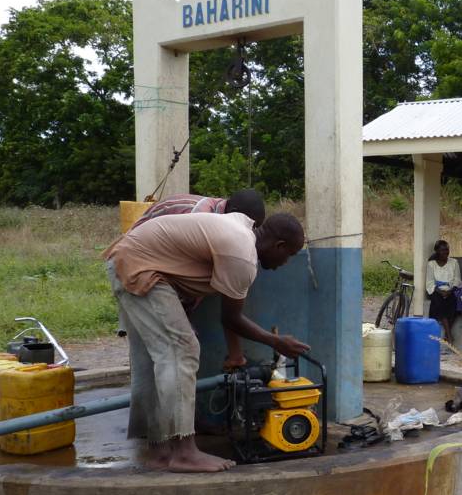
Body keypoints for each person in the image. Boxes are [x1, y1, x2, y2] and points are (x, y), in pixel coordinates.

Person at [103, 211, 309, 473]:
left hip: (132, 258)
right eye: (289, 255)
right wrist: (276, 341)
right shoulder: (242, 257)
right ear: (278, 245)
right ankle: (185, 453)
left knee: (164, 358)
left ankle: (160, 451)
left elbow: (229, 317)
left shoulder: (242, 230)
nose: (285, 262)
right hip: (140, 266)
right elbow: (232, 318)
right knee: (181, 350)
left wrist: (243, 352)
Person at [132, 188, 266, 230]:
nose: (250, 233)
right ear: (233, 213)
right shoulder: (200, 215)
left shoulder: (219, 210)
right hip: (135, 254)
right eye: (250, 227)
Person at [426, 240, 462, 345]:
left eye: (447, 249)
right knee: (439, 302)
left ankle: (447, 334)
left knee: (454, 303)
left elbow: (457, 279)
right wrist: (440, 291)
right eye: (442, 250)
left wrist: (450, 291)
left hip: (451, 290)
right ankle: (449, 336)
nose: (445, 252)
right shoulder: (431, 264)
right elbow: (429, 282)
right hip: (436, 290)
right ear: (437, 251)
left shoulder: (454, 262)